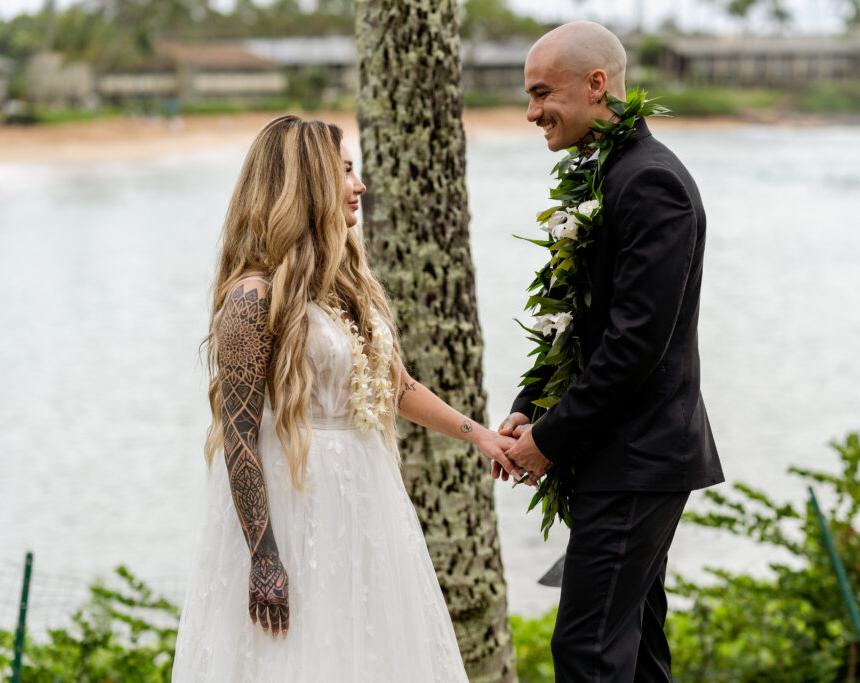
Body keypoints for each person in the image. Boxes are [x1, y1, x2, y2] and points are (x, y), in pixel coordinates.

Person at [172, 115, 518, 681]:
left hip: (364, 499)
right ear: (307, 183)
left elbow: (395, 386)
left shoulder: (343, 284)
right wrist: (264, 557)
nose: (359, 186)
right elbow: (237, 433)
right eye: (346, 171)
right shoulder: (251, 297)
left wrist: (480, 437)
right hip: (292, 502)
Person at [500, 22, 724, 682]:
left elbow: (635, 345)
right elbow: (578, 324)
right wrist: (527, 409)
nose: (533, 111)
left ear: (597, 84)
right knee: (635, 650)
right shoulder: (609, 175)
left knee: (587, 649)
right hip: (623, 455)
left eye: (544, 92)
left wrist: (549, 439)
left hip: (639, 457)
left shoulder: (650, 182)